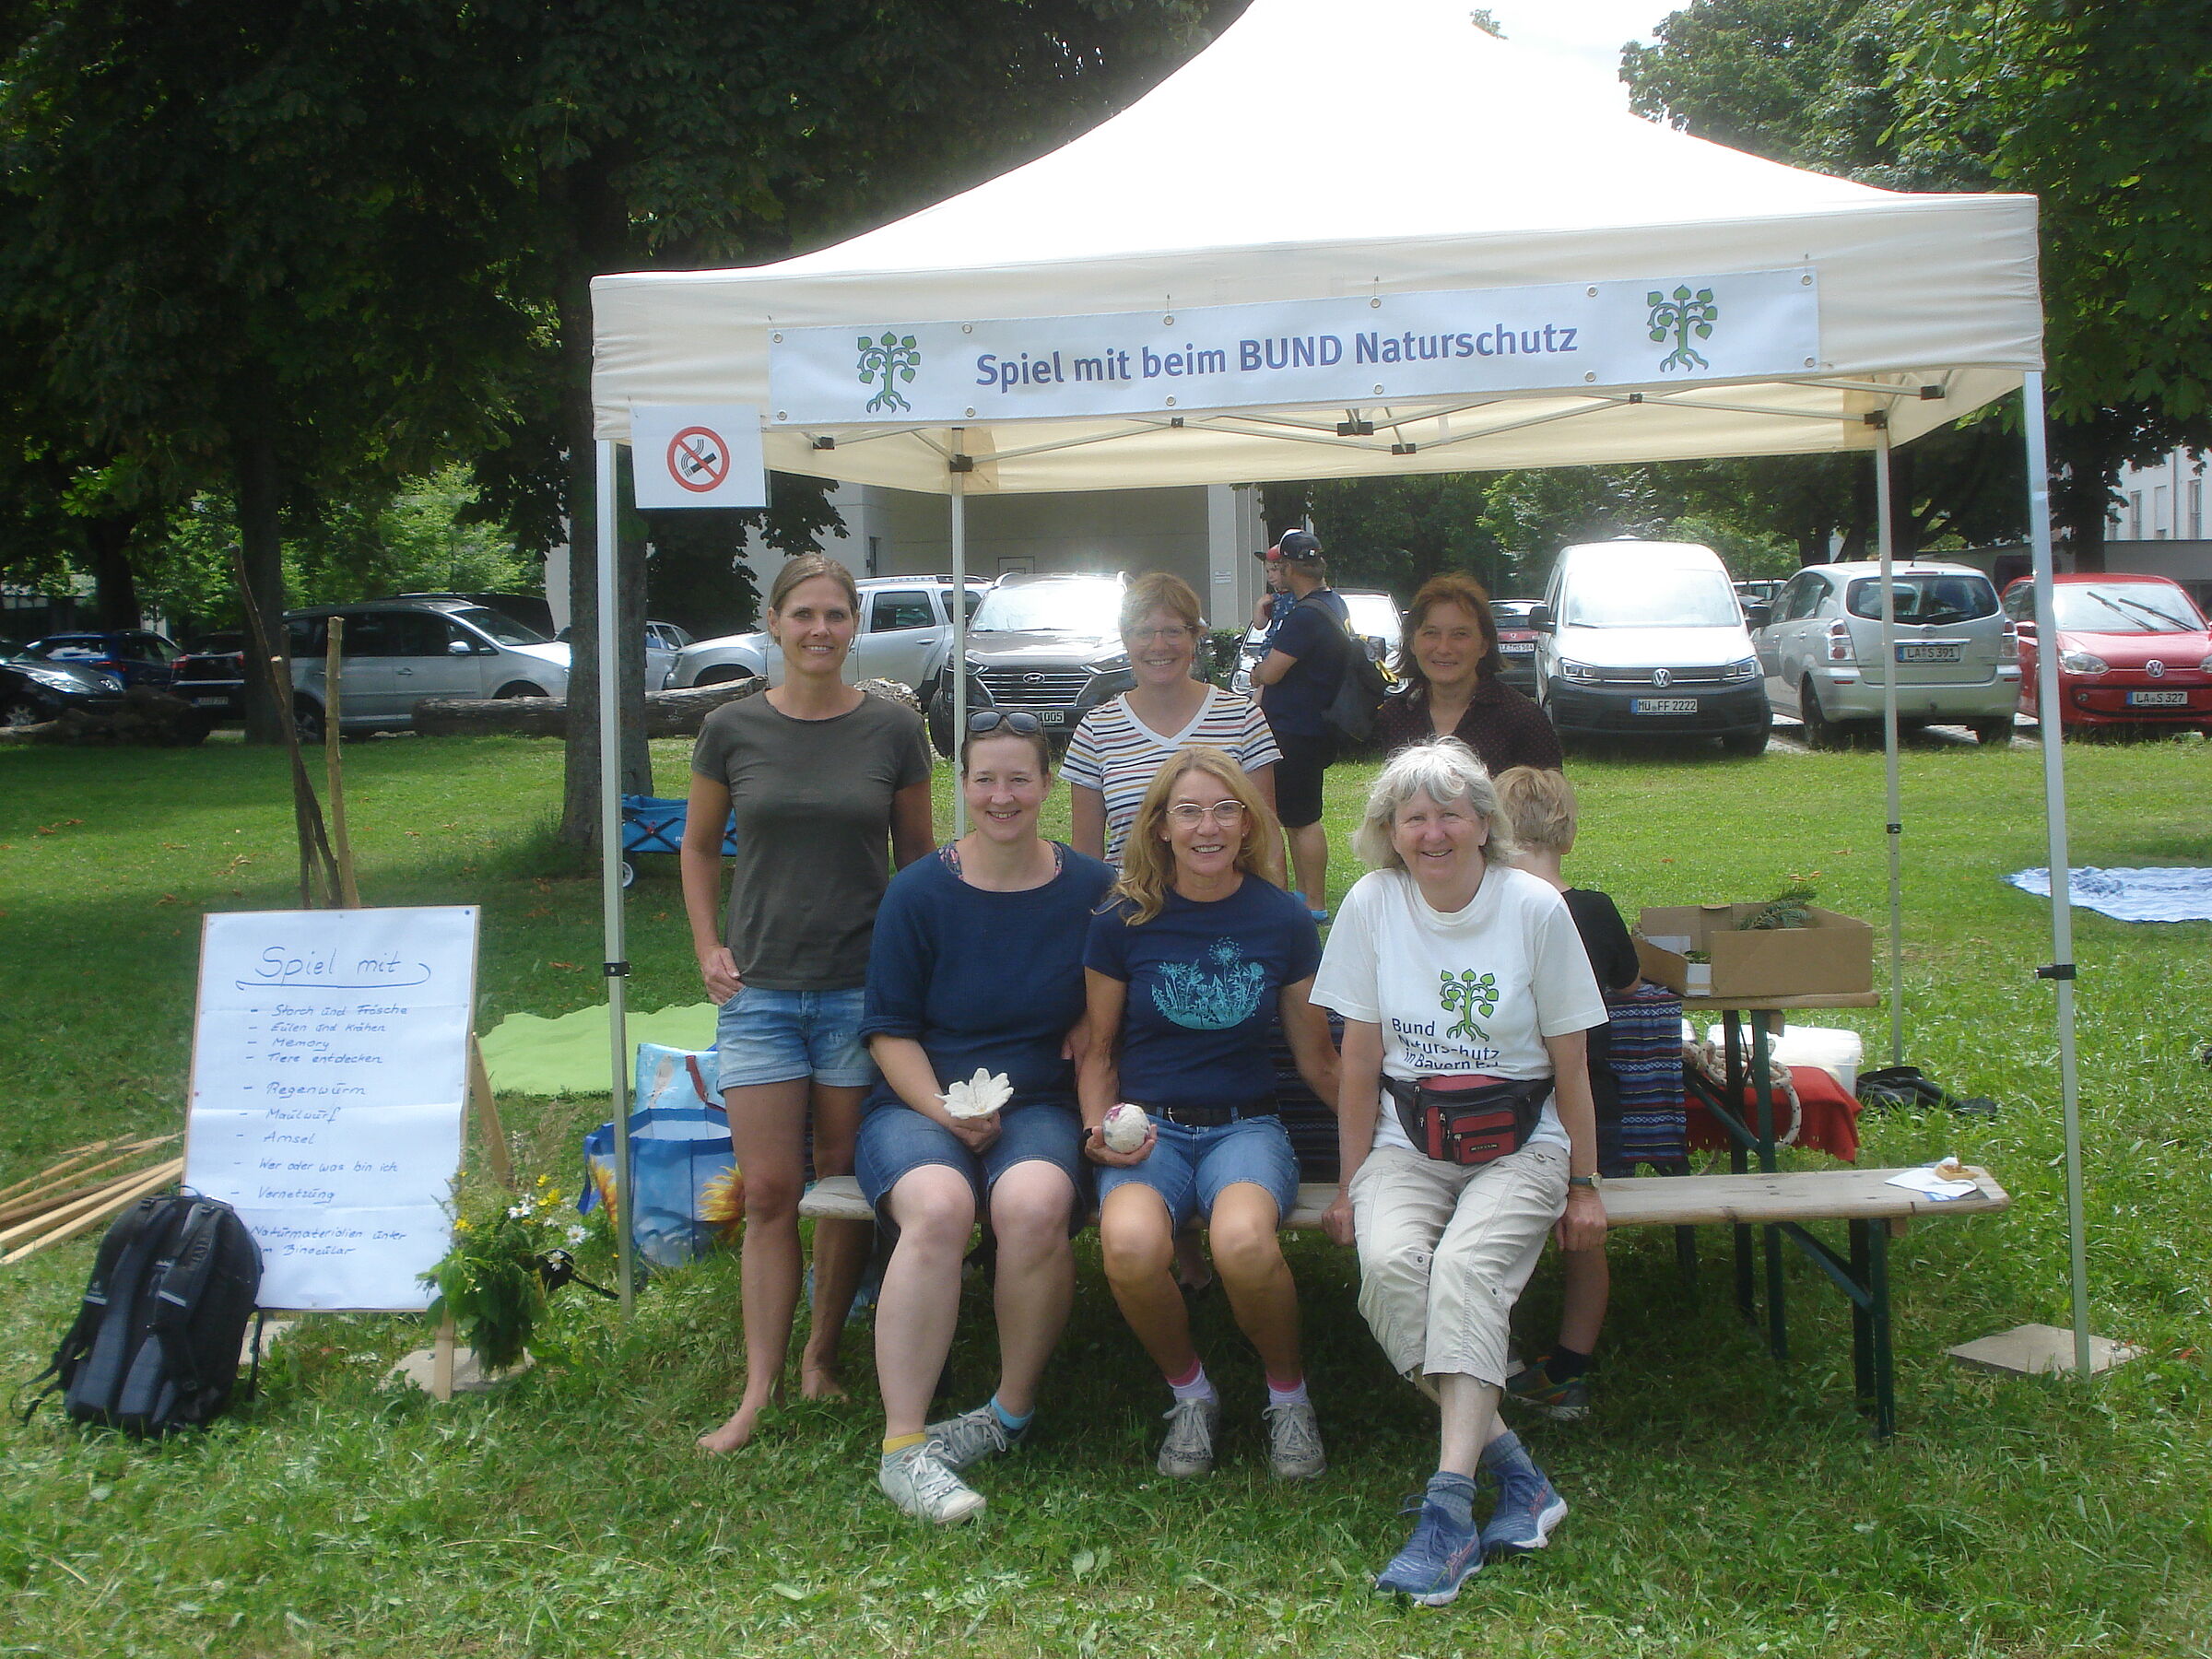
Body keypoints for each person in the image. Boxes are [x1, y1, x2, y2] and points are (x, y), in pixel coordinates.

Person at [1309, 738, 1607, 1606]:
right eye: (1413, 817)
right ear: (1389, 833)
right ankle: (1517, 1474)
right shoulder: (1371, 903)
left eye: (1450, 814)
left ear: (1485, 823)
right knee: (1393, 1267)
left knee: (1466, 1273)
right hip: (1409, 1140)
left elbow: (1573, 1067)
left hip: (1525, 1142)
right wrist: (1348, 1182)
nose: (1432, 833)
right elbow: (1360, 1058)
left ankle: (1446, 1513)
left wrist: (1584, 1185)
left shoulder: (1535, 910)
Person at [684, 554, 935, 1454]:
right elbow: (700, 847)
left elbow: (920, 862)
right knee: (767, 1193)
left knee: (839, 1181)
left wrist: (918, 975)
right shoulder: (730, 728)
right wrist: (707, 945)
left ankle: (821, 1357)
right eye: (804, 614)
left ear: (853, 626)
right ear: (775, 622)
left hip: (859, 989)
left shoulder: (893, 730)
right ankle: (756, 1387)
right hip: (758, 991)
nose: (820, 629)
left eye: (836, 614)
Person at [856, 711, 1116, 1524]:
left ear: (1046, 784)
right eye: (984, 779)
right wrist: (940, 1108)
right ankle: (904, 1448)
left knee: (1032, 1206)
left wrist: (1093, 1022)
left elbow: (1119, 993)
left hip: (1038, 1098)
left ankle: (1006, 1413)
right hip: (917, 1099)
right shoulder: (919, 892)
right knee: (940, 1208)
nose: (1002, 796)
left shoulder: (1091, 889)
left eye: (1019, 778)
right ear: (961, 785)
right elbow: (889, 1032)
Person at [1079, 747, 1340, 1479]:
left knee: (1244, 1246)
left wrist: (1380, 1134)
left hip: (1245, 1126)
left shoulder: (1282, 917)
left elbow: (1318, 1058)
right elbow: (1098, 1052)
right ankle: (1191, 1393)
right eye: (1189, 811)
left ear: (1249, 824)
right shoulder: (1121, 919)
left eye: (1226, 809)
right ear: (1160, 826)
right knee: (1128, 1247)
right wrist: (1097, 1133)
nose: (1208, 827)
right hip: (1149, 1127)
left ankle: (1289, 1400)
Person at [1491, 765, 1641, 1422]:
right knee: (1587, 1243)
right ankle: (1570, 1373)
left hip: (1513, 1107)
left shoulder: (1491, 911)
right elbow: (1631, 985)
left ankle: (1500, 1359)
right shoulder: (1597, 909)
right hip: (1592, 1110)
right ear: (1567, 833)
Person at [1066, 572, 1279, 869]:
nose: (1159, 645)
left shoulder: (1243, 718)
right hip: (1131, 907)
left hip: (1226, 907)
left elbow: (1266, 839)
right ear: (1125, 638)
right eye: (1144, 632)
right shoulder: (1095, 730)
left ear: (1194, 637)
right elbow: (1085, 855)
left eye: (1173, 631)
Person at [1247, 530, 1350, 922]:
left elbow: (1271, 673)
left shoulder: (1305, 616)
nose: (1278, 572)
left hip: (1296, 729)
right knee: (1297, 816)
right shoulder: (1332, 603)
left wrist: (1256, 672)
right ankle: (1306, 896)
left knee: (1301, 819)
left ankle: (1314, 902)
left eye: (1280, 566)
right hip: (1311, 725)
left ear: (1289, 567)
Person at [1376, 572, 1562, 772]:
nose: (1444, 648)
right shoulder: (1394, 717)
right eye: (1431, 633)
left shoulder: (1524, 721)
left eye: (1460, 635)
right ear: (1412, 643)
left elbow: (1547, 801)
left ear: (1484, 645)